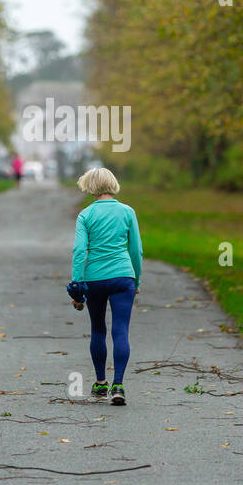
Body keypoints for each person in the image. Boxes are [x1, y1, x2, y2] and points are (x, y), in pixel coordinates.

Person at [70, 167, 142, 406]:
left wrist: (77, 285)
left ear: (90, 187)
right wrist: (136, 280)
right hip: (123, 277)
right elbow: (136, 251)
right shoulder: (127, 212)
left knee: (98, 329)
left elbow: (80, 250)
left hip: (95, 279)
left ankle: (101, 383)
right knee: (120, 330)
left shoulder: (86, 215)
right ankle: (118, 385)